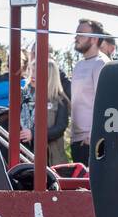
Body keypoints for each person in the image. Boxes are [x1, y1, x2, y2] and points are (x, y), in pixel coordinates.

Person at [69, 18, 110, 164]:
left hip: (92, 141)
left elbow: (106, 102)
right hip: (77, 140)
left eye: (80, 33)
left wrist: (93, 136)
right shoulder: (79, 65)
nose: (76, 37)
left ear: (94, 39)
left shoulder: (102, 64)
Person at [19, 54, 71, 165]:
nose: (32, 75)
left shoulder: (60, 100)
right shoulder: (23, 97)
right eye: (31, 71)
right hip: (26, 155)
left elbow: (60, 128)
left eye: (36, 72)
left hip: (52, 158)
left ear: (50, 76)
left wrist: (34, 134)